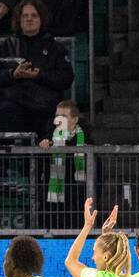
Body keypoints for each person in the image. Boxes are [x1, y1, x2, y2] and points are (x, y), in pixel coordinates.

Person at [0, 0, 75, 141]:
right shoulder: (6, 46)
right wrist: (13, 74)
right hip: (13, 106)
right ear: (18, 19)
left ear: (41, 19)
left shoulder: (55, 48)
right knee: (5, 112)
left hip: (45, 108)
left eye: (34, 15)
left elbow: (66, 78)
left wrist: (40, 76)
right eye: (25, 15)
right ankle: (3, 162)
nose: (29, 19)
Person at [37, 98, 88, 229]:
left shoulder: (84, 138)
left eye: (63, 116)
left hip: (76, 199)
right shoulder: (49, 136)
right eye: (57, 116)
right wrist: (45, 145)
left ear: (74, 120)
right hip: (53, 201)